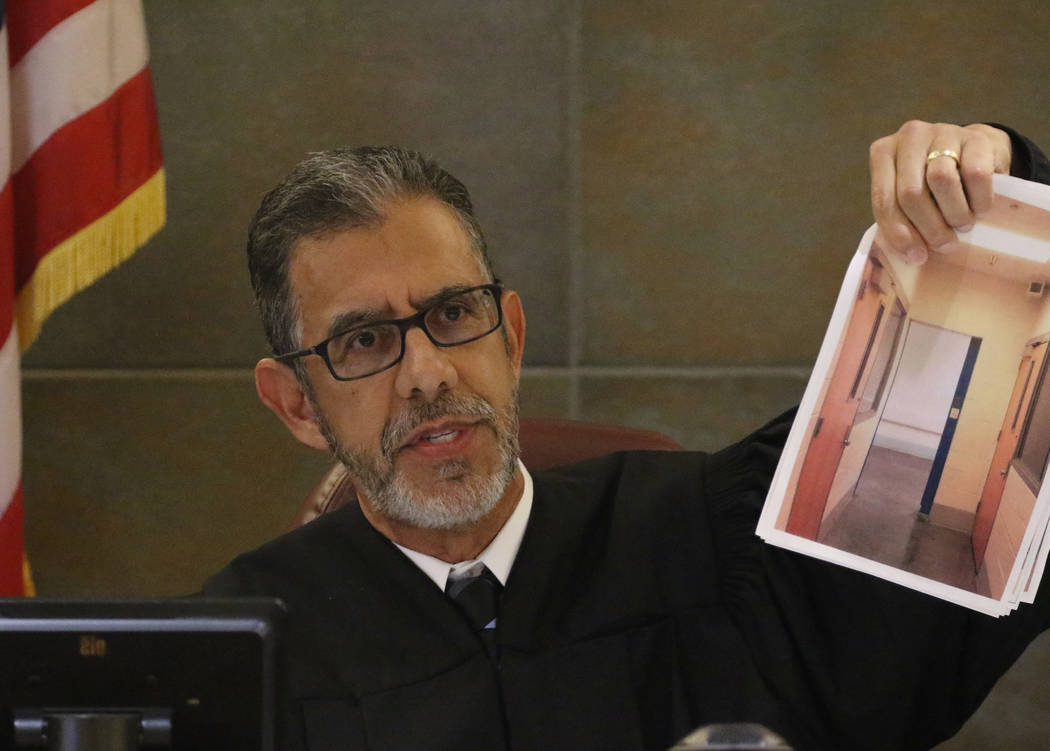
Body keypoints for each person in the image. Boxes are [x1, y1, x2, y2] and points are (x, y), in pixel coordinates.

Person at [203, 121, 1050, 751]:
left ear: (512, 335)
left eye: (453, 313)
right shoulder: (234, 660)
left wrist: (995, 192)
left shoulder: (730, 546)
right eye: (364, 340)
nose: (426, 373)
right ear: (298, 406)